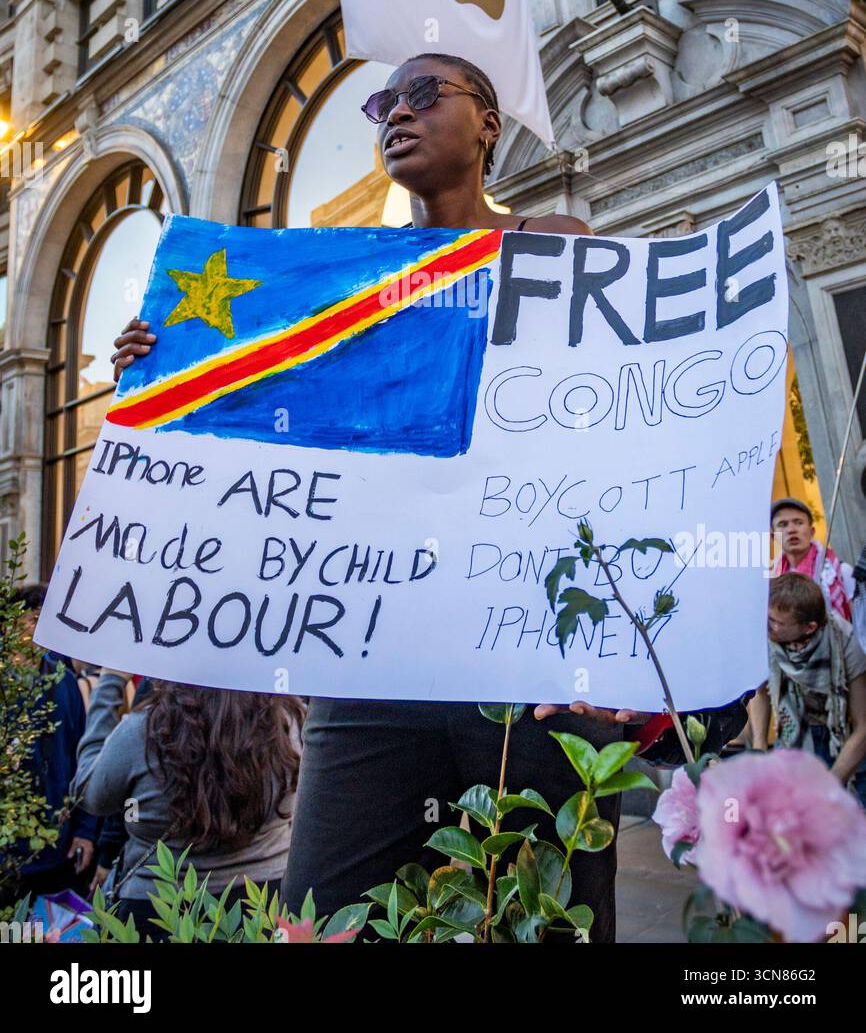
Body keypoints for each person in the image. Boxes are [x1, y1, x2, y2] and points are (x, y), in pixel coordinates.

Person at [111, 52, 649, 942]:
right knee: (322, 914)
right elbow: (257, 427)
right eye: (380, 102)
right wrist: (160, 374)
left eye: (423, 94)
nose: (395, 113)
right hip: (373, 648)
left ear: (488, 122)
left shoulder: (554, 243)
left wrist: (621, 636)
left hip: (523, 647)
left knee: (552, 915)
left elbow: (624, 429)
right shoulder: (329, 285)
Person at [73, 669, 305, 938]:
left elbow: (90, 794)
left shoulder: (143, 730)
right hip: (265, 902)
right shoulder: (287, 723)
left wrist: (110, 683)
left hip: (158, 910)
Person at [2, 585, 97, 905]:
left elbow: (81, 759)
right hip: (7, 854)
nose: (41, 629)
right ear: (10, 624)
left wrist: (85, 829)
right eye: (33, 619)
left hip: (58, 848)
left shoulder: (64, 681)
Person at [751, 573, 866, 806]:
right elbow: (759, 692)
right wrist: (760, 746)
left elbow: (864, 728)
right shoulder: (767, 639)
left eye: (776, 621)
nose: (766, 625)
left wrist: (831, 784)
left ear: (808, 628)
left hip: (839, 740)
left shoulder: (845, 643)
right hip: (793, 733)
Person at [770, 496, 855, 621]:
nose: (791, 530)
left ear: (811, 531)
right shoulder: (771, 582)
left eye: (798, 522)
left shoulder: (839, 572)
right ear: (773, 536)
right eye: (783, 524)